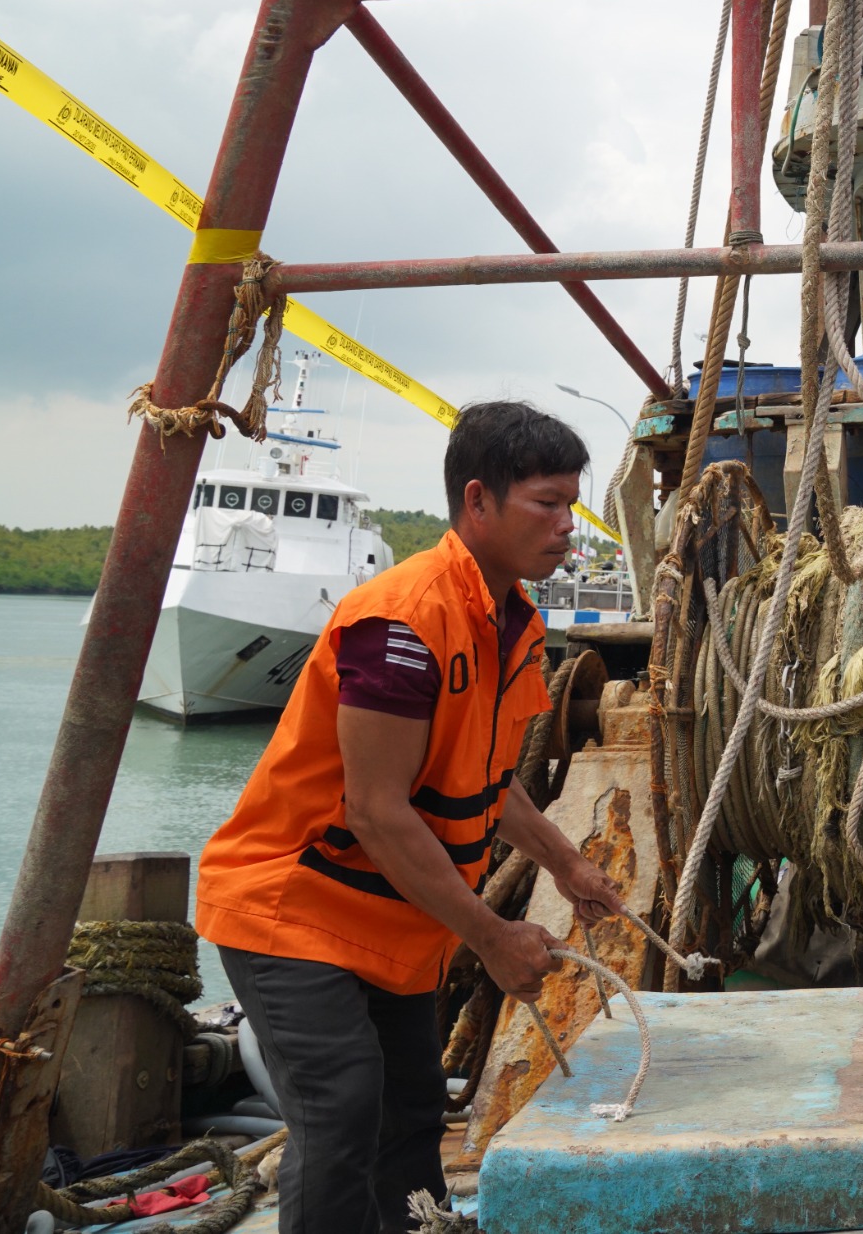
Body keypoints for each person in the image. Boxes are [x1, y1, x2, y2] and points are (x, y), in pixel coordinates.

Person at [196, 403, 623, 1233]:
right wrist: (493, 939)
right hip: (292, 906)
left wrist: (569, 866)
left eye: (572, 503)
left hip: (393, 923)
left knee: (414, 1105)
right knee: (344, 1101)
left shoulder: (517, 626)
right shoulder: (401, 621)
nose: (567, 526)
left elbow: (487, 784)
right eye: (546, 503)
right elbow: (379, 812)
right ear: (477, 502)